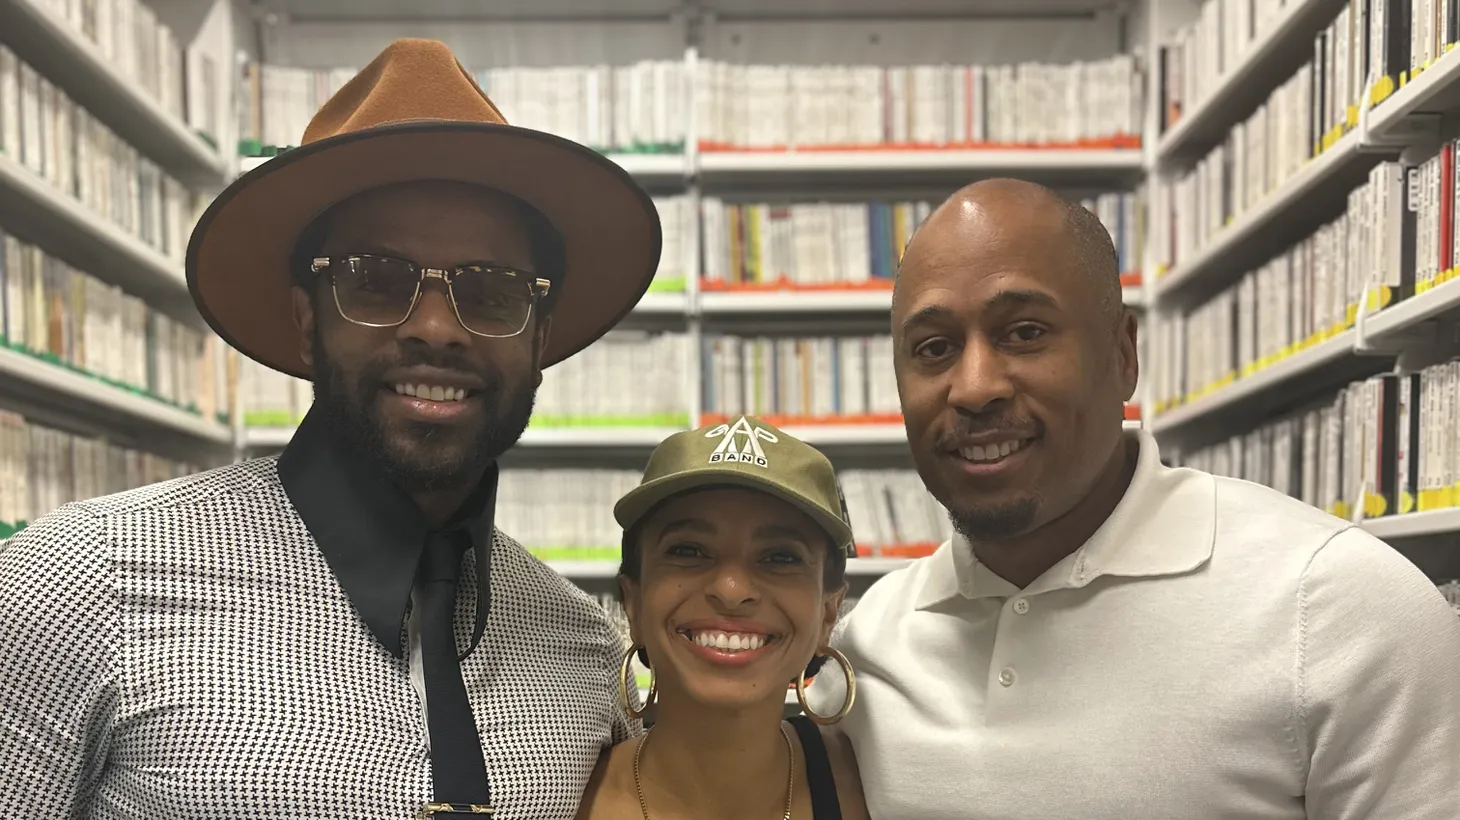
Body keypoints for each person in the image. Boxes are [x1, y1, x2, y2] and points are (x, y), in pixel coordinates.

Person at [0, 39, 662, 819]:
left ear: (540, 342)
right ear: (306, 322)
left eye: (492, 291)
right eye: (376, 280)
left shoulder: (583, 646)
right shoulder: (79, 584)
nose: (437, 328)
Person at [806, 178, 1460, 818]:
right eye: (935, 348)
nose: (975, 388)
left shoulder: (1337, 610)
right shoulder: (867, 650)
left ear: (1122, 354)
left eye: (1025, 332)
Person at [577, 415, 870, 820]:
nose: (731, 590)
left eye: (780, 557)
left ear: (827, 614)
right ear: (634, 604)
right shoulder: (563, 799)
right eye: (689, 551)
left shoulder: (876, 788)